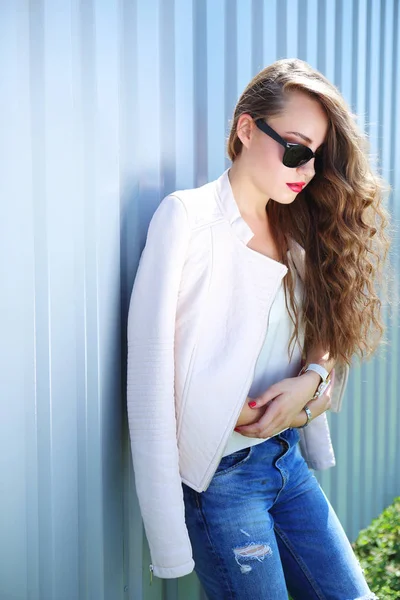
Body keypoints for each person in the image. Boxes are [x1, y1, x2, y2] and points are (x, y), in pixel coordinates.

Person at [127, 58, 388, 599]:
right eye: (295, 148)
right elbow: (148, 382)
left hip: (285, 461)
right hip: (221, 482)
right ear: (247, 128)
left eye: (315, 157)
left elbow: (325, 330)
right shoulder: (186, 220)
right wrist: (169, 542)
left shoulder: (296, 223)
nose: (306, 169)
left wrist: (312, 380)